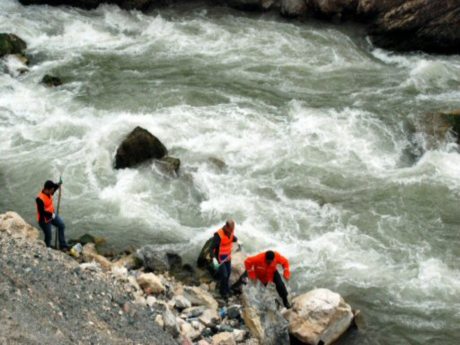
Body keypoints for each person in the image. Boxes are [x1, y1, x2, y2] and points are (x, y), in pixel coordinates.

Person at [209, 219, 238, 300]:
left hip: (227, 257)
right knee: (224, 275)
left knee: (228, 273)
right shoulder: (218, 235)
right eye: (230, 230)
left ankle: (226, 289)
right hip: (219, 258)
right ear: (226, 227)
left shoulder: (231, 232)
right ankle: (222, 293)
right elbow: (211, 248)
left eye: (233, 230)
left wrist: (235, 239)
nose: (231, 231)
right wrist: (213, 258)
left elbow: (234, 238)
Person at [36, 180, 68, 250]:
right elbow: (42, 212)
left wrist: (59, 184)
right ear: (47, 189)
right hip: (44, 220)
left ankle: (63, 245)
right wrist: (51, 215)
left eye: (53, 190)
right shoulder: (39, 199)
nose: (53, 192)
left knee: (61, 225)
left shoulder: (49, 192)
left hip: (52, 215)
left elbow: (55, 187)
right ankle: (47, 249)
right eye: (52, 190)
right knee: (49, 236)